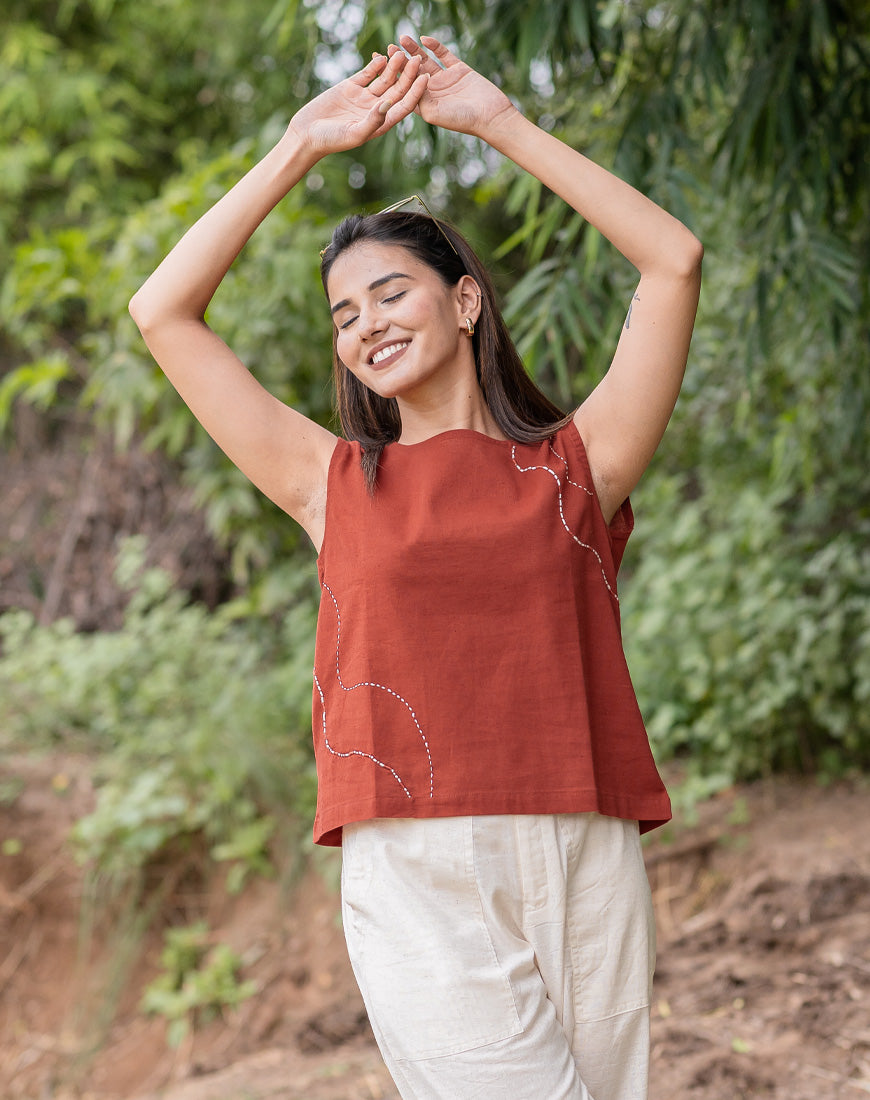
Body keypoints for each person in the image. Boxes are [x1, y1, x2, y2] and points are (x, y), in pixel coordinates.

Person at [129, 34, 702, 1100]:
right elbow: (161, 310)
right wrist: (300, 143)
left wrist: (497, 123)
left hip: (585, 843)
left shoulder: (580, 465)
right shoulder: (332, 482)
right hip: (418, 869)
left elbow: (673, 259)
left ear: (466, 300)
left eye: (391, 293)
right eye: (343, 313)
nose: (365, 325)